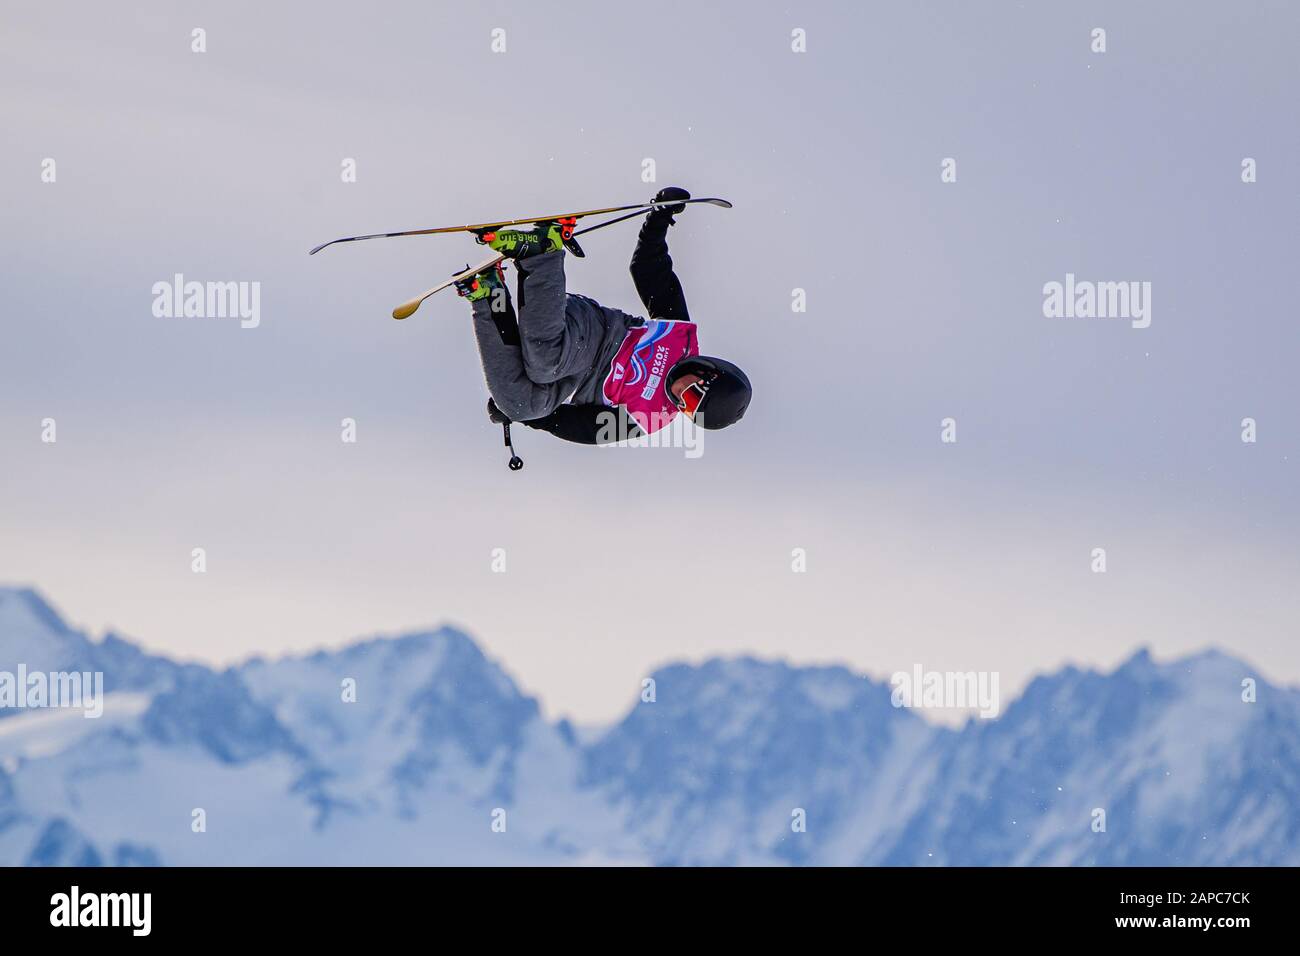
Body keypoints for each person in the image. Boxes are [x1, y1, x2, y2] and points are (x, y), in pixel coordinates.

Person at [456, 187, 751, 444]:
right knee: (545, 364)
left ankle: (488, 294)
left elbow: (585, 429)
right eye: (690, 396)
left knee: (524, 404)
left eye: (687, 410)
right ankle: (542, 254)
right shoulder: (678, 336)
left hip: (573, 380)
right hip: (595, 334)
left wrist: (522, 415)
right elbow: (648, 269)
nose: (679, 400)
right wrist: (659, 218)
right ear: (706, 372)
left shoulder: (652, 418)